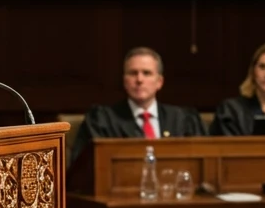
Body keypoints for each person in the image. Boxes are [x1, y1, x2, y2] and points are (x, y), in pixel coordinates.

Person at [69, 47, 205, 166]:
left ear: (159, 82)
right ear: (124, 81)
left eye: (147, 73)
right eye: (133, 73)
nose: (139, 80)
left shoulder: (183, 119)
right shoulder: (102, 120)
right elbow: (84, 168)